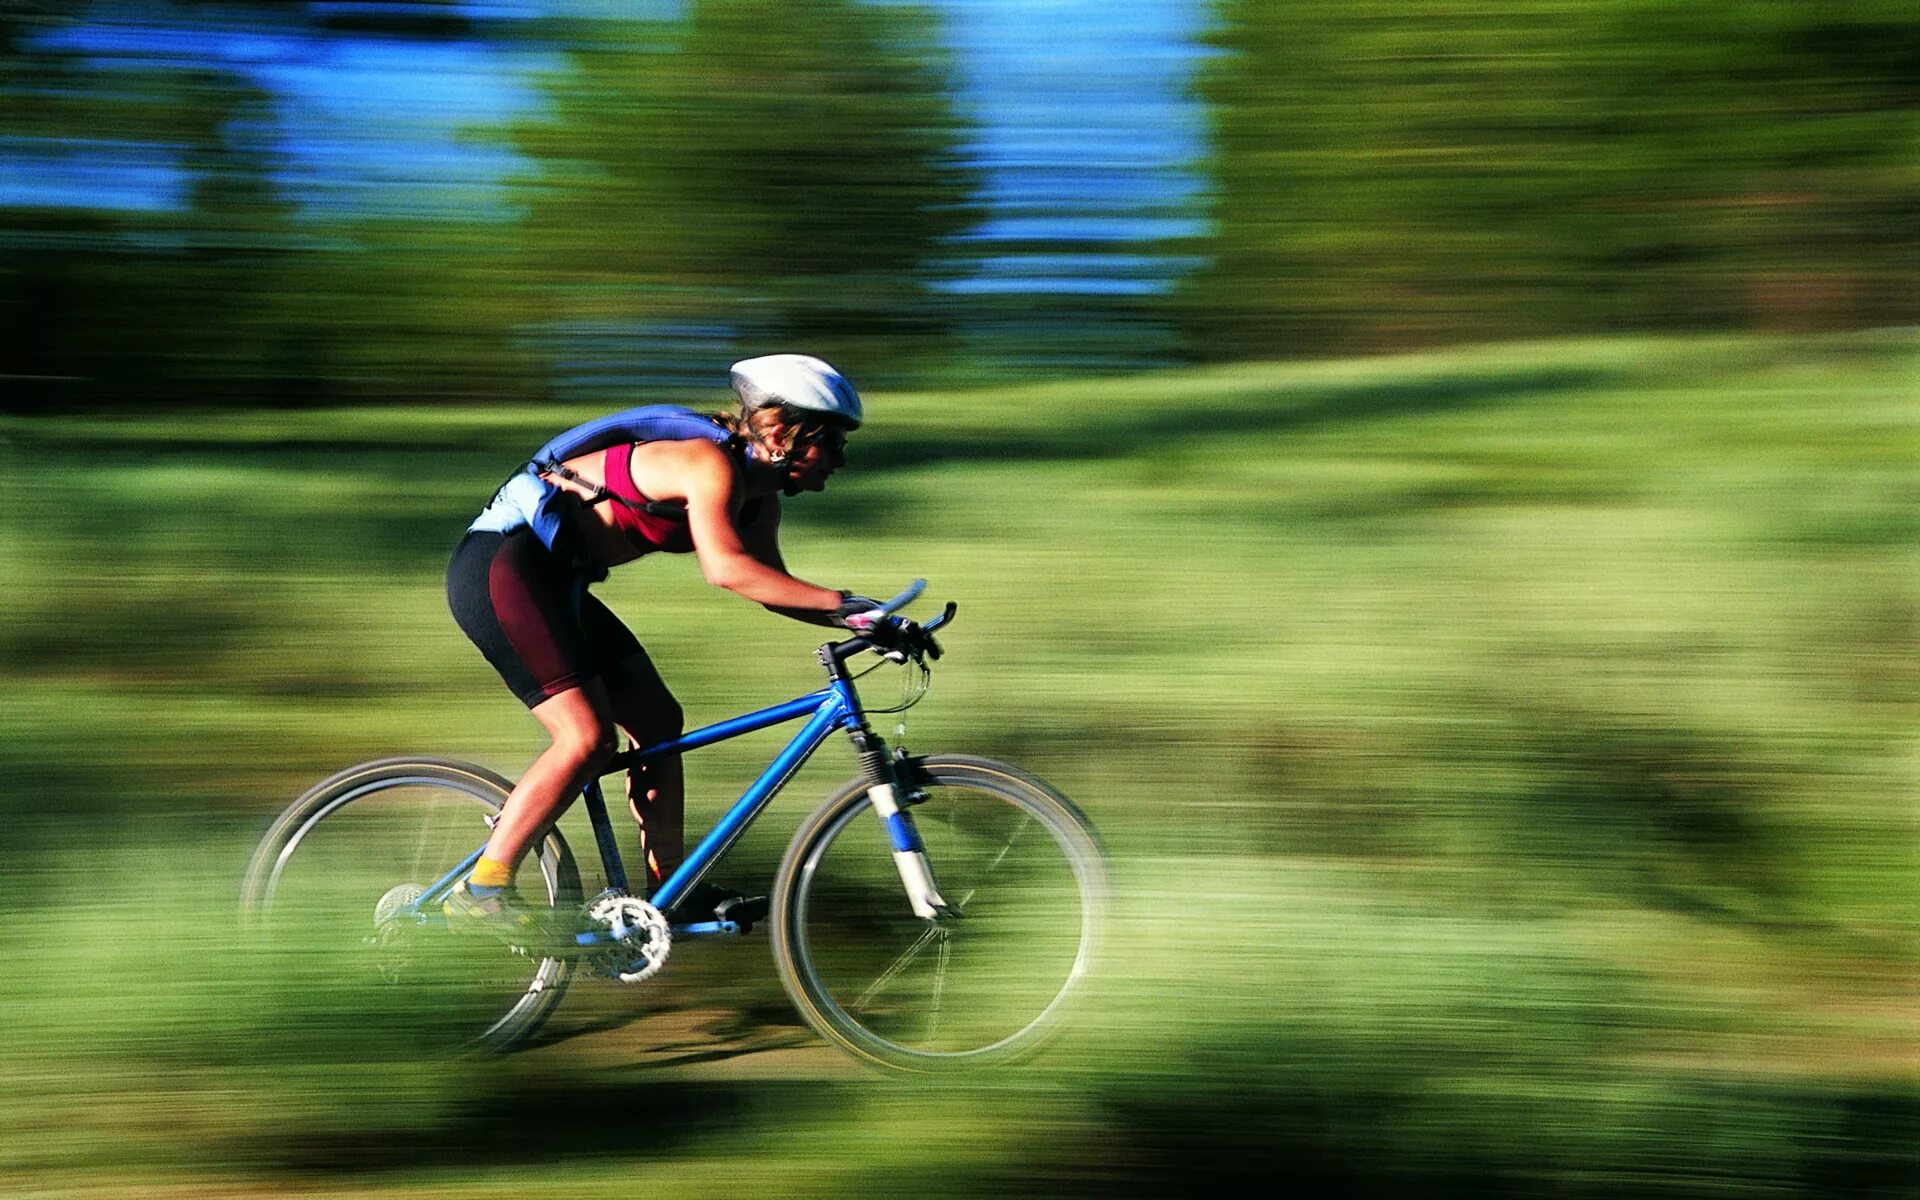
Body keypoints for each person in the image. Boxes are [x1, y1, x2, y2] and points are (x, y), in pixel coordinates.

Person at [442, 353, 886, 946]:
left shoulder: (760, 498)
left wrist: (873, 621)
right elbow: (727, 569)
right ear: (780, 433)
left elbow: (772, 588)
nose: (840, 459)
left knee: (657, 719)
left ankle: (666, 888)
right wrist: (848, 605)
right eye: (831, 442)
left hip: (557, 584)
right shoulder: (710, 465)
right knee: (585, 737)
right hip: (502, 567)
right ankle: (481, 891)